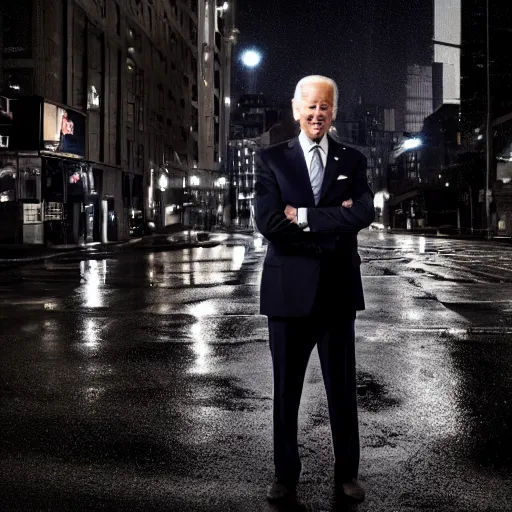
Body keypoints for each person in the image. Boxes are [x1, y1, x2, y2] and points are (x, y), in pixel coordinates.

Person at [254, 75, 375, 503]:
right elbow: (268, 223)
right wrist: (330, 226)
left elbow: (363, 211)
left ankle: (347, 475)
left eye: (325, 106)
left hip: (337, 292)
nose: (317, 113)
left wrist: (305, 216)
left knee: (342, 390)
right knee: (286, 390)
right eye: (310, 106)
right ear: (295, 110)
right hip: (287, 293)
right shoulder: (271, 159)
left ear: (334, 111)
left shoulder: (352, 159)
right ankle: (285, 476)